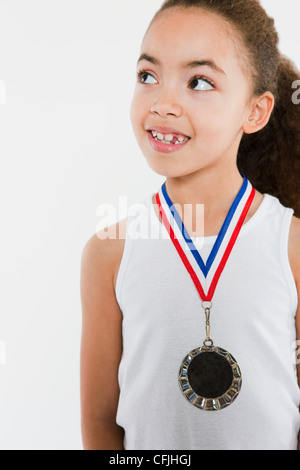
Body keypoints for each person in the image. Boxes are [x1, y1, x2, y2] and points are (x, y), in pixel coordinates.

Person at [80, 0, 300, 450]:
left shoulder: (291, 245)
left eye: (199, 82)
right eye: (148, 76)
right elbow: (102, 422)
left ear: (255, 112)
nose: (164, 103)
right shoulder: (110, 251)